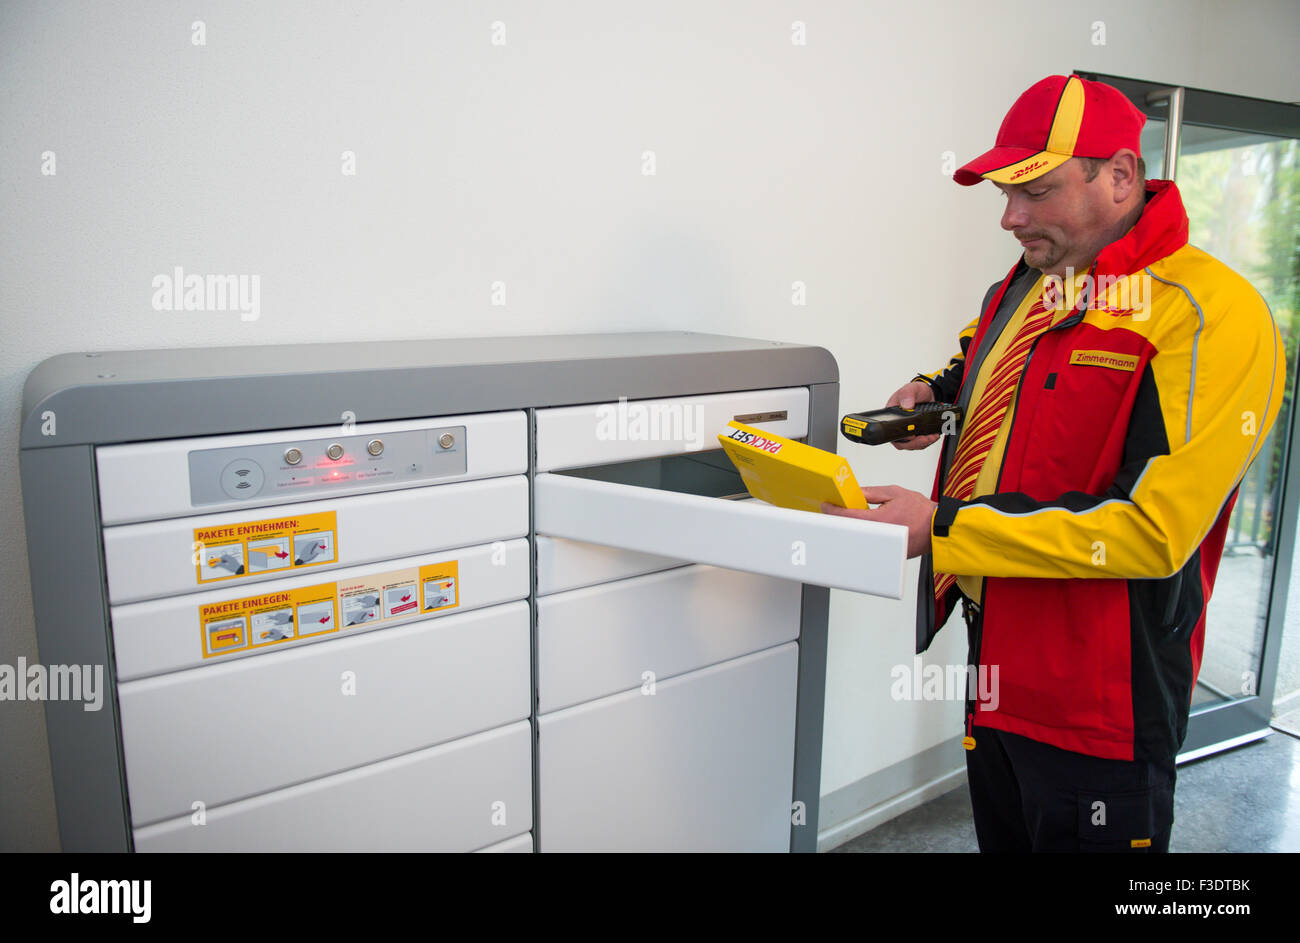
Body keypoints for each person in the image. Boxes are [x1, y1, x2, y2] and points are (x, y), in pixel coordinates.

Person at [822, 74, 1287, 852]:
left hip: (1099, 700)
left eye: (1035, 190)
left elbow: (1151, 530)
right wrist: (936, 396)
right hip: (994, 653)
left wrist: (941, 525)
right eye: (1006, 192)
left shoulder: (1209, 315)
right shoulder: (1034, 282)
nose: (1011, 216)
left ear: (1121, 175)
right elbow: (984, 359)